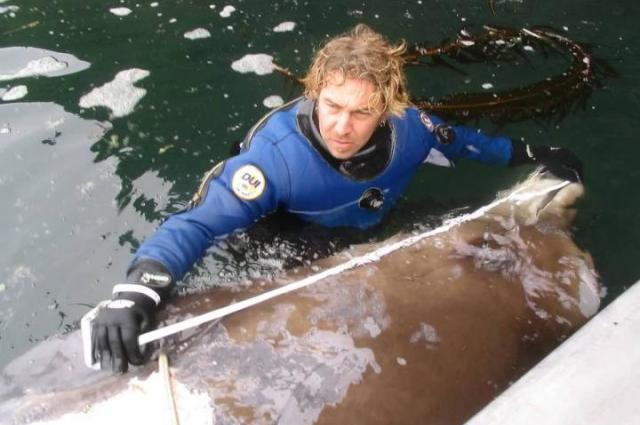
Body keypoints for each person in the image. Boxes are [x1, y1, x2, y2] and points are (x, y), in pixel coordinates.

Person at [92, 24, 583, 373]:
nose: (343, 128)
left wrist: (535, 152)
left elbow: (468, 143)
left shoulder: (412, 130)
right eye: (331, 107)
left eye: (362, 113)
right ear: (313, 94)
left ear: (389, 108)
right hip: (291, 237)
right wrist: (140, 288)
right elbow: (197, 223)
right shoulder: (272, 160)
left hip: (370, 224)